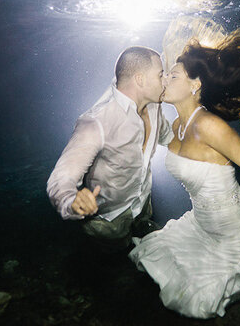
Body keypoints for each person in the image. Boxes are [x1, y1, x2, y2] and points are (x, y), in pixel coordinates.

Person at [128, 26, 240, 319]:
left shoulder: (210, 126)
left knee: (197, 299)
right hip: (202, 225)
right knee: (154, 253)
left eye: (172, 76)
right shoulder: (177, 127)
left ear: (194, 85)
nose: (164, 81)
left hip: (233, 233)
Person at [46, 46, 174, 251]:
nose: (165, 80)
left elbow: (169, 137)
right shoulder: (97, 121)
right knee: (112, 269)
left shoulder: (154, 105)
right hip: (107, 222)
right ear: (140, 79)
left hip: (142, 208)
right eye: (160, 75)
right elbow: (61, 179)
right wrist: (72, 200)